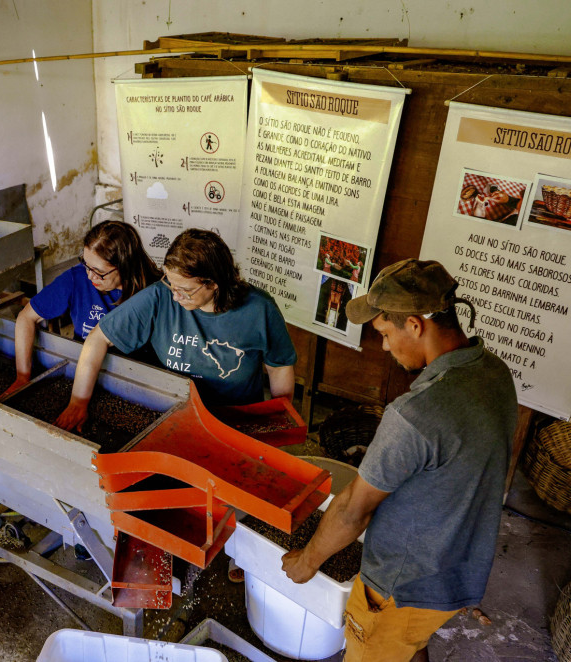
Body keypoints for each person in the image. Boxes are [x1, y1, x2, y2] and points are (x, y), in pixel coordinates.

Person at [281, 259, 517, 662]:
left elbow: (353, 512)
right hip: (457, 567)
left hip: (400, 585)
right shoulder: (493, 372)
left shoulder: (416, 414)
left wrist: (307, 561)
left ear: (414, 325)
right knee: (407, 645)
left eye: (385, 333)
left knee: (377, 644)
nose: (385, 347)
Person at [55, 228, 296, 433]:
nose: (175, 296)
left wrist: (276, 422)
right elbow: (98, 338)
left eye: (185, 290)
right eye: (171, 284)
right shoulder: (160, 296)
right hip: (174, 416)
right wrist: (78, 401)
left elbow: (280, 366)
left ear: (213, 284)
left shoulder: (259, 309)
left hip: (237, 423)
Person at [1, 220, 161, 398]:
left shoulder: (154, 291)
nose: (90, 275)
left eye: (98, 271)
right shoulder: (77, 278)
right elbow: (26, 318)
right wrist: (23, 376)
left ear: (125, 266)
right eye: (86, 264)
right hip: (84, 373)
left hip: (136, 381)